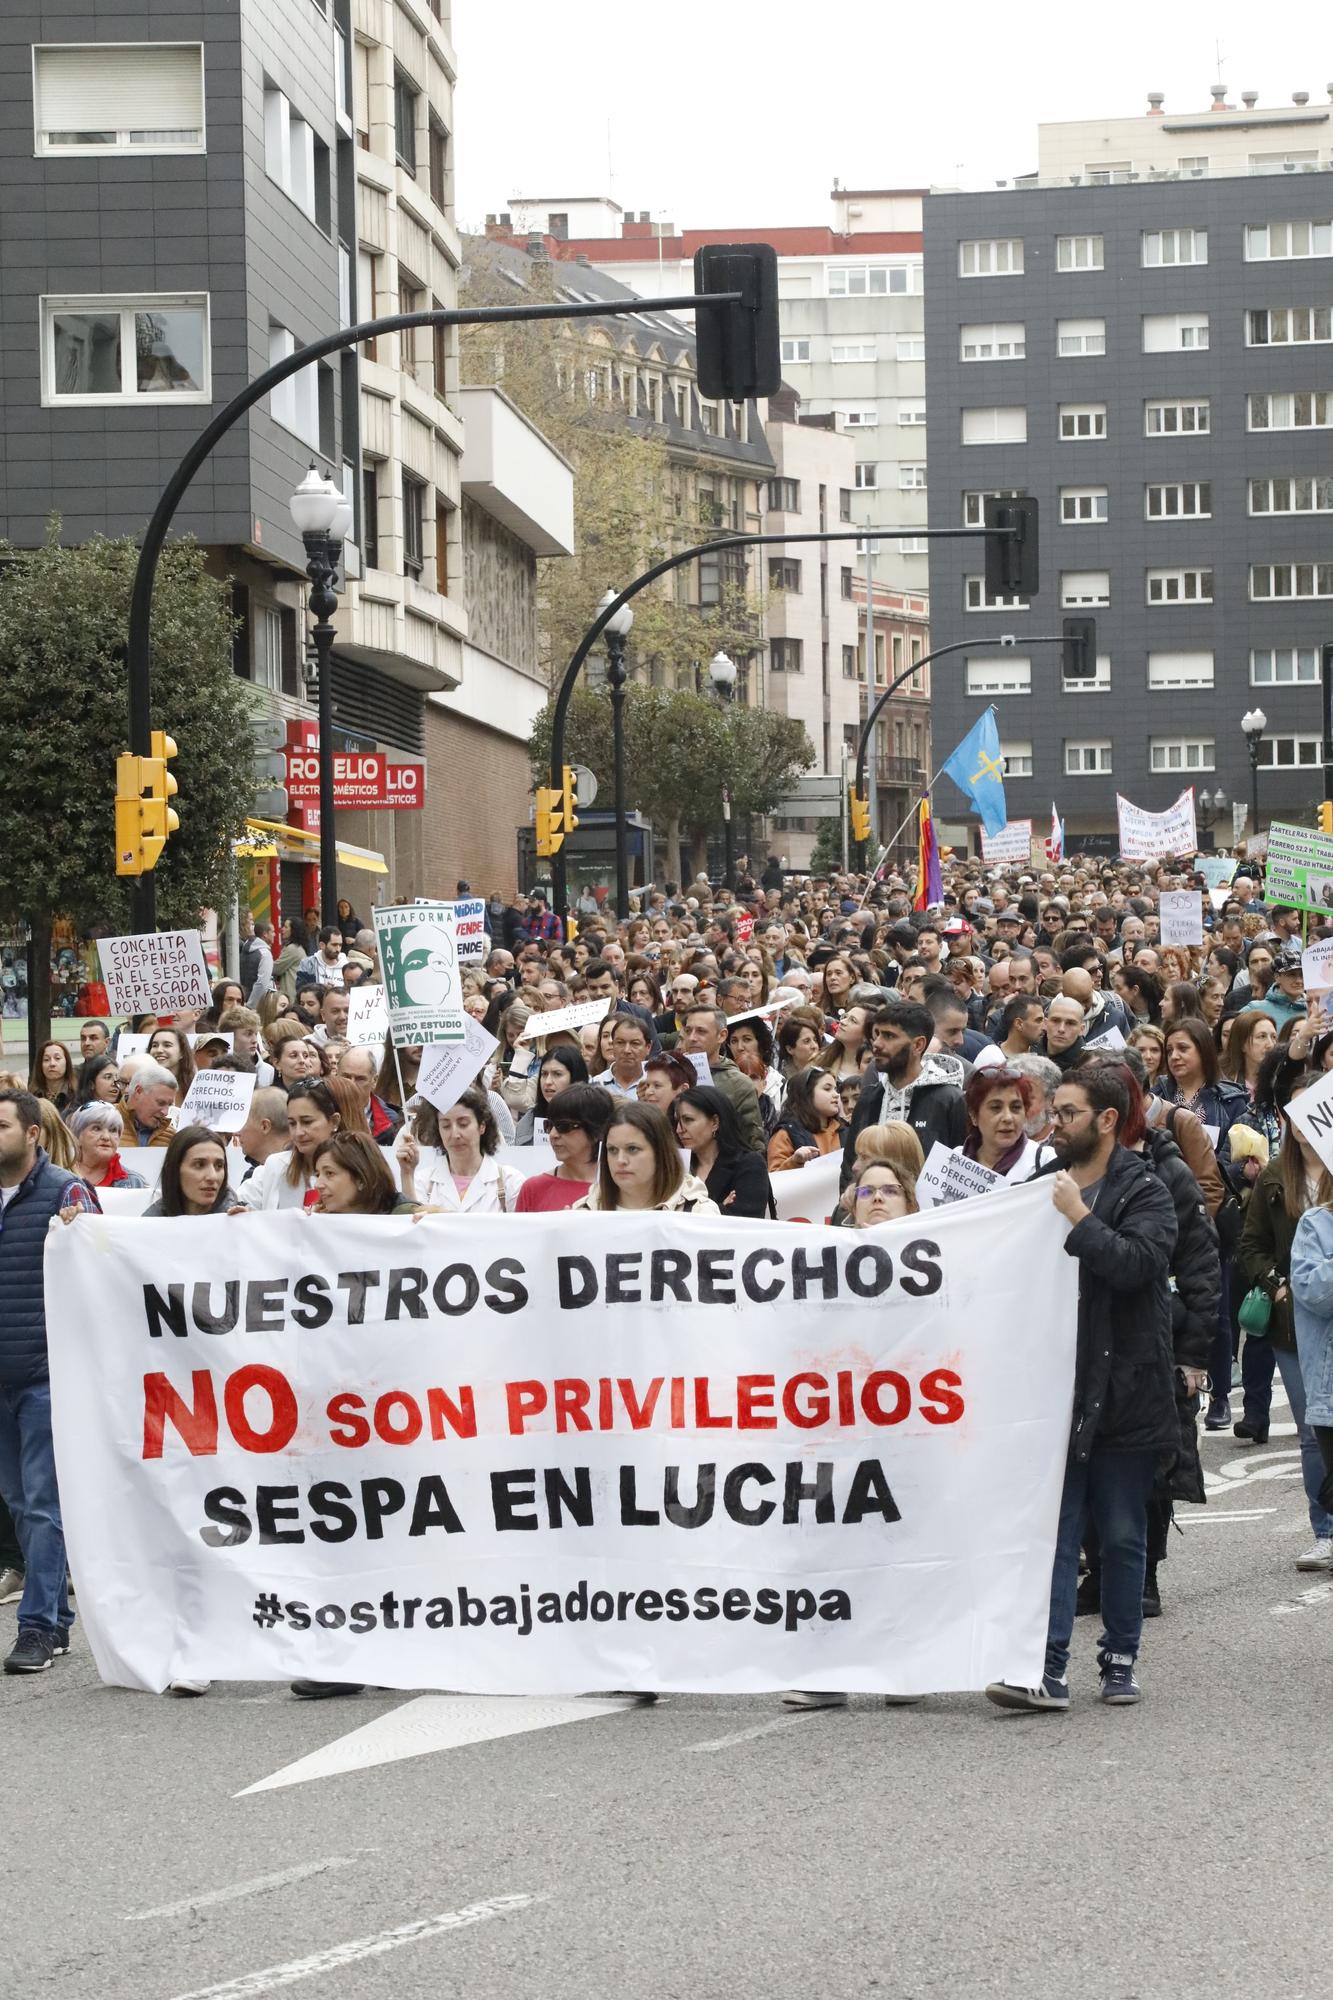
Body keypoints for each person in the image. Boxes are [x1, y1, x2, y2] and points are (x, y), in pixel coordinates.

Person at [984, 1064, 1177, 1713]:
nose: (1051, 1124)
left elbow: (1137, 1265)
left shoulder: (1143, 1189)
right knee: (1055, 1535)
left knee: (1121, 1535)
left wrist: (1077, 1218)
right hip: (1055, 1391)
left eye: (1064, 1113)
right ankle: (1046, 1667)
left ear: (1103, 1120)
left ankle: (1119, 1659)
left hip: (1125, 1389)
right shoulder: (1038, 1185)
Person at [0, 1089, 96, 1674]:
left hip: (43, 1375)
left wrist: (77, 1232)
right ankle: (56, 1617)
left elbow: (107, 1262)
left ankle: (35, 1627)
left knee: (42, 1503)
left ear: (33, 1133)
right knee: (17, 1500)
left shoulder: (66, 1192)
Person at [1241, 1074, 1333, 1565]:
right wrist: (1277, 1283)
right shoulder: (1277, 1176)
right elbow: (1251, 1244)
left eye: (1312, 1110)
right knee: (1314, 1429)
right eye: (1294, 1113)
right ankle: (1326, 1528)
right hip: (1294, 1325)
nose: (1303, 1124)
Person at [841, 1005, 967, 1187]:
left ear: (918, 1045)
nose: (876, 1043)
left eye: (889, 1036)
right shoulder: (869, 1097)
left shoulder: (949, 1099)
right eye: (877, 1034)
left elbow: (958, 1175)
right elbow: (849, 1167)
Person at [394, 1087, 525, 1213]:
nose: (455, 1134)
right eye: (446, 1126)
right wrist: (407, 1174)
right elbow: (411, 1229)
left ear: (482, 1126)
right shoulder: (423, 1182)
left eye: (463, 1124)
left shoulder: (510, 1182)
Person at [574, 1101, 719, 1214]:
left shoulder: (700, 1213)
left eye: (632, 1149)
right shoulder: (584, 1211)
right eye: (612, 1150)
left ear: (660, 1152)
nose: (620, 1160)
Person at [234, 1078, 342, 1210]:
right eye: (292, 1123)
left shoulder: (354, 1172)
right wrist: (246, 1214)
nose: (298, 1132)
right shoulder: (274, 1167)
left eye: (307, 1122)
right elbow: (234, 1204)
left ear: (335, 1122)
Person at [675, 1086, 774, 1217]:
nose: (679, 1130)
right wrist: (719, 1208)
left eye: (688, 1120)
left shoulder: (749, 1164)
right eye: (678, 1121)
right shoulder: (679, 1166)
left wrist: (710, 1210)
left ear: (715, 1122)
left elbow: (744, 1221)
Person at [678, 1007, 766, 1153]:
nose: (692, 1038)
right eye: (688, 1031)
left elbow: (753, 1144)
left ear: (722, 1035)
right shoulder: (669, 1074)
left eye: (701, 1031)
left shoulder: (739, 1084)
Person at [515, 1085, 614, 1212]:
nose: (553, 1134)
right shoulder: (533, 1188)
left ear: (596, 1131)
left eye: (564, 1126)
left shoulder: (620, 1187)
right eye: (549, 1126)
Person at [958, 1067, 1054, 1183]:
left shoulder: (1046, 1163)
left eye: (1016, 1107)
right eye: (996, 1108)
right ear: (974, 1116)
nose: (1008, 1118)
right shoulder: (952, 1160)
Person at [311, 1131, 416, 1216]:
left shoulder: (403, 1218)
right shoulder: (319, 1219)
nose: (318, 1185)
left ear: (361, 1179)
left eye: (329, 1173)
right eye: (318, 1175)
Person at [143, 1126, 235, 1217]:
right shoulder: (147, 1226)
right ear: (174, 1170)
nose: (212, 1176)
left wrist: (245, 1224)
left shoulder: (242, 1221)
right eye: (199, 1165)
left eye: (219, 1166)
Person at [768, 1066, 844, 1173]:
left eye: (836, 1089)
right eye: (827, 1089)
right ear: (806, 1094)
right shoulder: (786, 1133)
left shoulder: (846, 1130)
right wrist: (795, 1161)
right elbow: (775, 1180)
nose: (836, 1095)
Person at [514, 1047, 590, 1144]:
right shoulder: (528, 1121)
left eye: (557, 1074)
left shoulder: (595, 1119)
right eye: (544, 1074)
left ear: (575, 1078)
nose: (548, 1082)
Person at [68, 1103, 145, 1193]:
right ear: (77, 1136)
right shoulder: (57, 1176)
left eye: (113, 1130)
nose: (106, 1137)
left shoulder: (135, 1183)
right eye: (97, 1129)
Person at [232, 1087, 291, 1178]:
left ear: (265, 1126)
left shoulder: (306, 1170)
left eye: (243, 1121)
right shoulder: (253, 1178)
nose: (235, 1133)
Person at [119, 1061, 178, 1150]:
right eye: (160, 1103)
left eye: (169, 1105)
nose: (165, 1112)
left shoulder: (170, 1137)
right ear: (138, 1092)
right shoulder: (103, 1121)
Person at [637, 1049, 698, 1118]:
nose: (647, 1092)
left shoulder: (697, 1128)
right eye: (647, 1085)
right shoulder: (638, 1125)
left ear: (683, 1090)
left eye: (657, 1086)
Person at [29, 1041, 77, 1114]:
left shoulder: (77, 1094)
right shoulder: (32, 1096)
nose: (52, 1064)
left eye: (57, 1058)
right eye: (46, 1060)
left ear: (67, 1062)